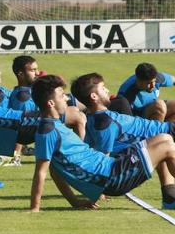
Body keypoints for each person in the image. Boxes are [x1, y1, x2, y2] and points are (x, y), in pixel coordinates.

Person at [29, 75, 175, 212]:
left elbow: (55, 170)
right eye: (62, 95)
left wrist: (75, 202)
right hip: (111, 178)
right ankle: (170, 197)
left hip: (112, 167)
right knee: (167, 146)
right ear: (50, 103)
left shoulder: (56, 125)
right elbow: (41, 172)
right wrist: (35, 208)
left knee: (165, 138)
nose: (67, 98)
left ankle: (170, 197)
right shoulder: (47, 131)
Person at [71, 72, 175, 209]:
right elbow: (102, 159)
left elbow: (91, 149)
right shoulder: (104, 123)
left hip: (162, 132)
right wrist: (96, 192)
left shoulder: (92, 118)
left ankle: (170, 198)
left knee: (164, 143)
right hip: (163, 133)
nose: (107, 90)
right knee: (165, 142)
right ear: (94, 96)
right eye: (103, 88)